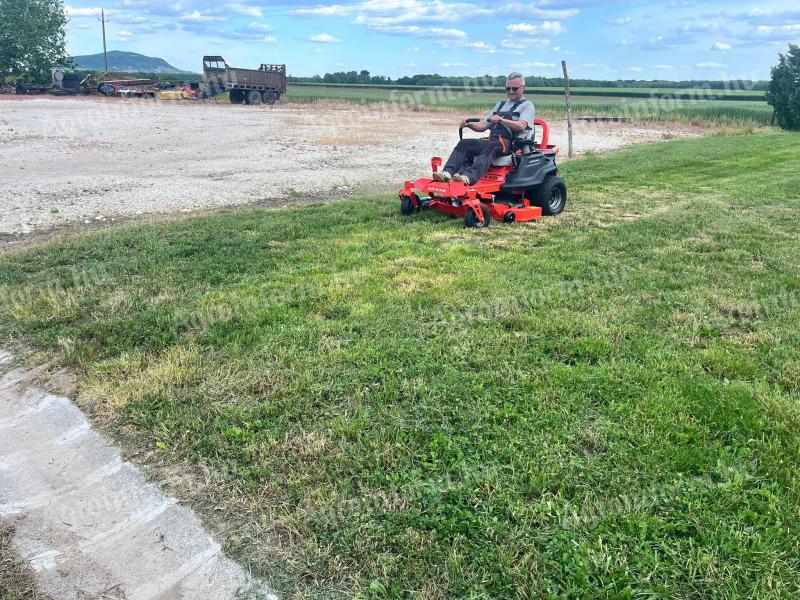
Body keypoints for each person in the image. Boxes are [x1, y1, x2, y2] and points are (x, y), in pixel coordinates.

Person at [433, 72, 535, 185]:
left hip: (511, 144)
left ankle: (469, 177)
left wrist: (501, 120)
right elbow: (483, 125)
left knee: (491, 146)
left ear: (523, 88)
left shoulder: (527, 106)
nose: (511, 91)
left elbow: (521, 126)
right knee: (464, 143)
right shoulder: (500, 105)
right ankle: (447, 173)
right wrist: (469, 124)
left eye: (514, 88)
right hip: (494, 141)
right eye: (508, 88)